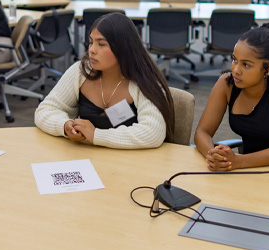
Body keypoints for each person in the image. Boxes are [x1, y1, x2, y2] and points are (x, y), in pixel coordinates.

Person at [34, 12, 174, 148]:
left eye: (101, 44)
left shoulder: (144, 80)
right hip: (87, 160)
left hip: (131, 163)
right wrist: (65, 125)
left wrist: (96, 135)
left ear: (123, 48)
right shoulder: (81, 71)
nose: (92, 50)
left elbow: (153, 133)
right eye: (90, 42)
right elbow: (45, 110)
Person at [194, 23, 269, 170]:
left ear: (268, 68)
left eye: (246, 65)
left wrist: (237, 162)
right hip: (249, 169)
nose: (236, 70)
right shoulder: (227, 84)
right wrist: (213, 155)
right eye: (235, 60)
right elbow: (202, 132)